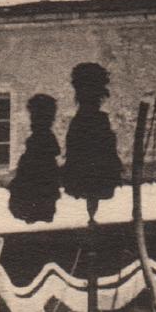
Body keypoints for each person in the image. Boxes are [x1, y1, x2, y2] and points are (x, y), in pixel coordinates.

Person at [61, 62, 123, 223]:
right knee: (93, 188)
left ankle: (91, 215)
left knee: (91, 188)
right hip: (92, 161)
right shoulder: (96, 119)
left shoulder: (84, 119)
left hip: (89, 161)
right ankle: (92, 215)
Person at [7, 94, 61, 224]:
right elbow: (55, 150)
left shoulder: (39, 134)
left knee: (36, 201)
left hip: (35, 170)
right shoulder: (45, 134)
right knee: (41, 202)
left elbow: (53, 150)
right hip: (42, 171)